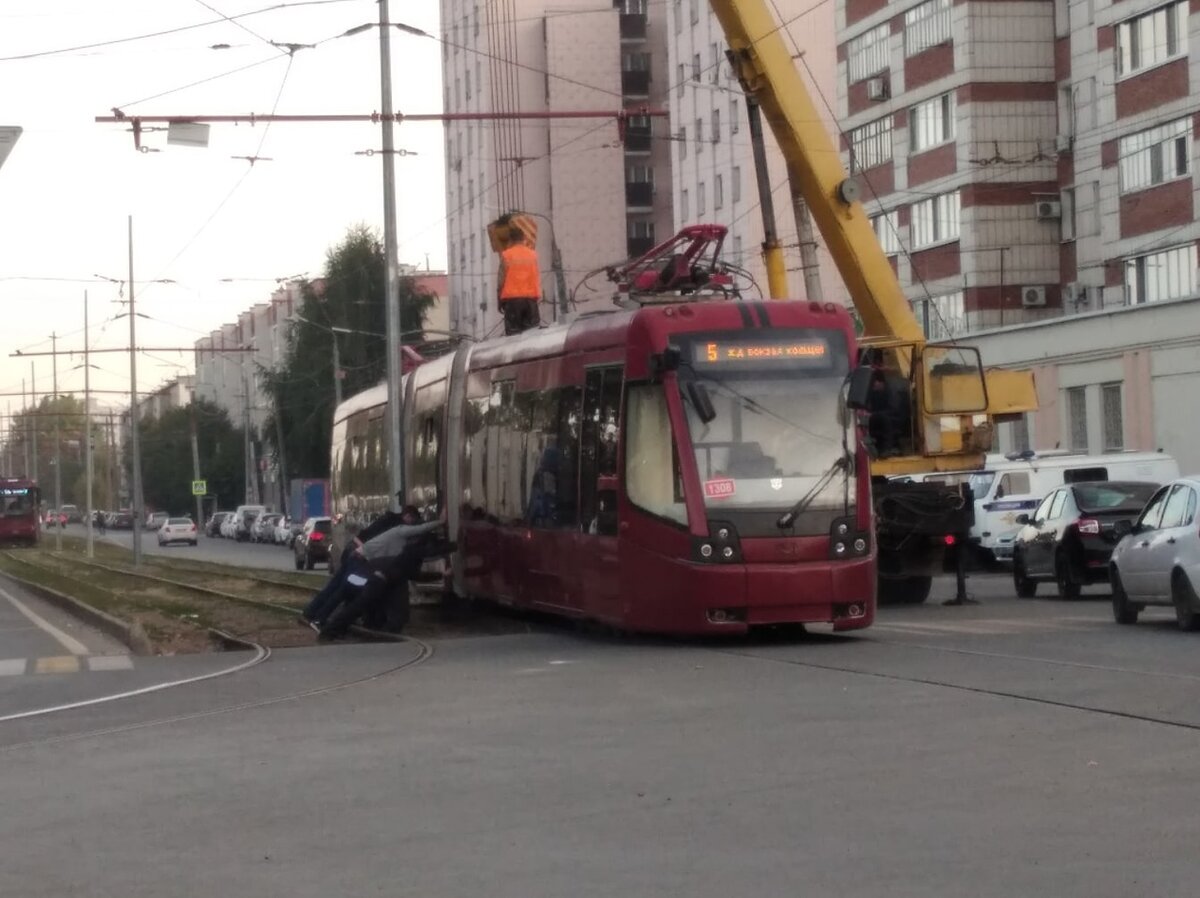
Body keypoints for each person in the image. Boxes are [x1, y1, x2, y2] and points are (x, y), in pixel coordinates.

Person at [318, 512, 450, 640]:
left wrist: (441, 574)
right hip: (377, 577)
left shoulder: (406, 551)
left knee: (364, 605)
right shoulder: (408, 547)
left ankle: (344, 627)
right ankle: (331, 628)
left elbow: (415, 574)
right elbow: (418, 571)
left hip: (377, 576)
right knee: (362, 604)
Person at [497, 233, 541, 336]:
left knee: (513, 336)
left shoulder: (507, 255)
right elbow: (536, 275)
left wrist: (499, 300)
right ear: (524, 240)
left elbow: (501, 280)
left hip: (512, 301)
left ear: (511, 241)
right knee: (532, 335)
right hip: (530, 300)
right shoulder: (533, 255)